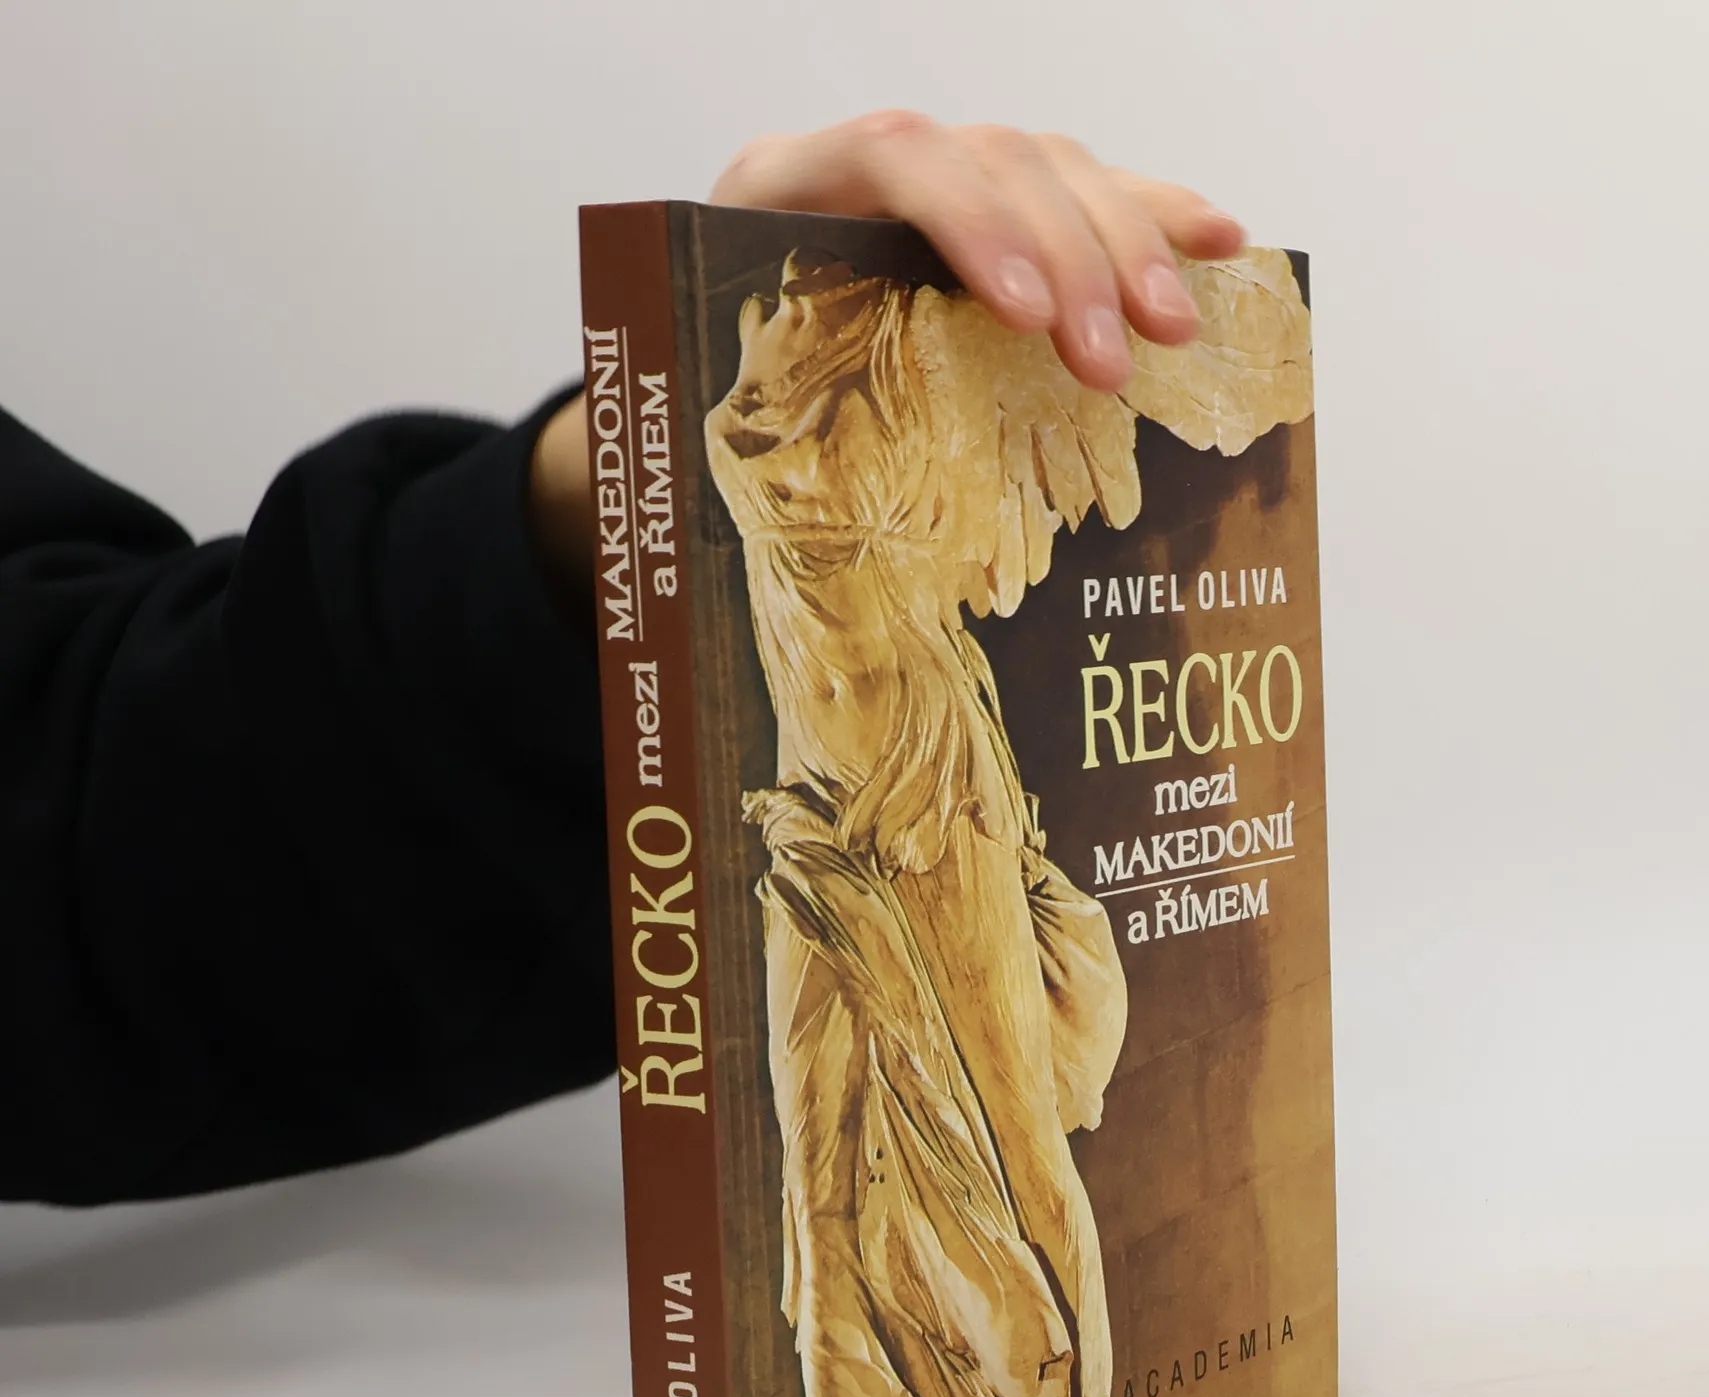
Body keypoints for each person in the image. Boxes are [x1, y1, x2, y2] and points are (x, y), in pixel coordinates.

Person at [0, 113, 1245, 1206]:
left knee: (1004, 1165)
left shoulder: (888, 589)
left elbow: (88, 851)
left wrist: (588, 538)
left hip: (912, 811)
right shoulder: (803, 520)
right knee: (912, 1200)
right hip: (853, 848)